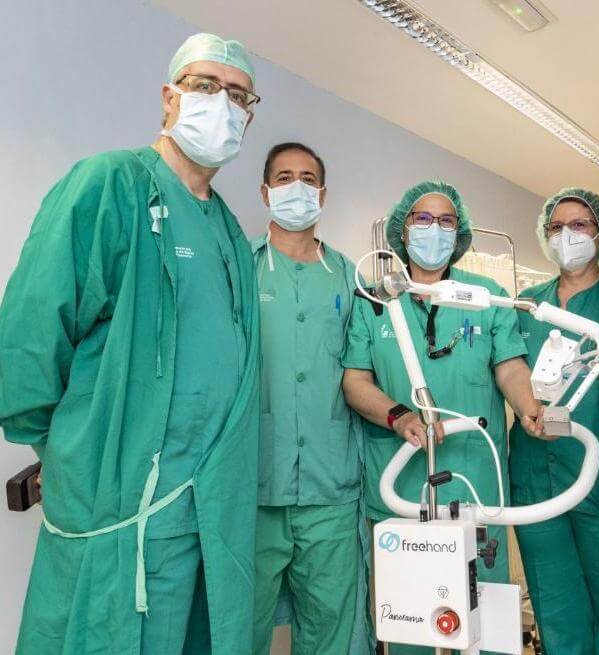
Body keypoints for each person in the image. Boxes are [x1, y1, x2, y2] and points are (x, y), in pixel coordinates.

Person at [0, 33, 262, 654]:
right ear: (169, 98)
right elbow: (29, 338)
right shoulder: (110, 185)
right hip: (117, 508)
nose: (221, 103)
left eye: (238, 95)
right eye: (205, 86)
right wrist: (72, 453)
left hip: (208, 511)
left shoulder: (226, 226)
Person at [342, 180, 543, 654]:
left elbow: (510, 366)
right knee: (412, 622)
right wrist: (398, 416)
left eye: (447, 220)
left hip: (475, 483)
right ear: (403, 230)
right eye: (423, 219)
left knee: (484, 623)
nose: (435, 229)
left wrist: (529, 407)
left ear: (461, 234)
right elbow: (355, 382)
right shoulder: (376, 301)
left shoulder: (487, 295)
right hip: (401, 487)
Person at [510, 188, 599, 655]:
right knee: (553, 599)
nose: (566, 235)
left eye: (580, 225)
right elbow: (506, 368)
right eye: (556, 227)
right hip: (533, 471)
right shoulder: (527, 304)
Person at [251, 142, 370, 654]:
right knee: (236, 632)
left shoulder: (348, 276)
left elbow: (365, 369)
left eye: (307, 178)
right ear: (264, 192)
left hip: (331, 489)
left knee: (334, 634)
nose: (296, 187)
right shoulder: (241, 269)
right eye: (283, 178)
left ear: (322, 193)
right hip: (253, 487)